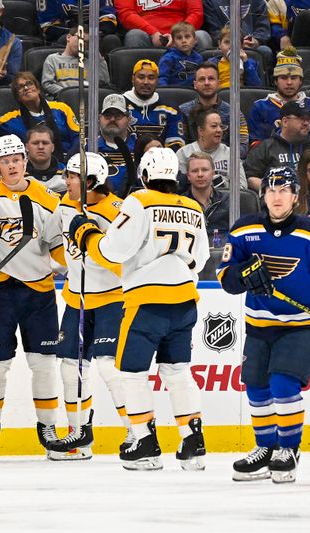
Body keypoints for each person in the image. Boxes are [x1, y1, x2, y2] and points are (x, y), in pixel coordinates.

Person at [217, 165, 310, 483]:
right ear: (263, 195)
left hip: (303, 324)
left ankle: (288, 449)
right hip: (259, 323)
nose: (276, 197)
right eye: (271, 191)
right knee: (257, 388)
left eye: (283, 191)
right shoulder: (243, 230)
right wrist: (243, 273)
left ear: (295, 196)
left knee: (283, 385)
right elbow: (227, 278)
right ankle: (266, 447)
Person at [69, 146, 210, 471]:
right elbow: (200, 260)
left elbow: (113, 250)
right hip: (185, 300)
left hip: (147, 302)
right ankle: (193, 443)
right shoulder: (192, 206)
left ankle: (145, 442)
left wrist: (87, 234)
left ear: (145, 176)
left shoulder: (140, 201)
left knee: (131, 373)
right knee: (177, 372)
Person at [44, 152, 132, 460]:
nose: (66, 181)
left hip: (111, 300)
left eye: (72, 176)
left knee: (109, 367)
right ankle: (79, 434)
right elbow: (57, 244)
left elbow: (124, 263)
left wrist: (92, 241)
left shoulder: (117, 213)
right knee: (71, 368)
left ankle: (136, 432)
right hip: (75, 299)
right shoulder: (65, 206)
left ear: (92, 182)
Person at [0, 135, 66, 455]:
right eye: (5, 161)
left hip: (39, 291)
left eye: (17, 159)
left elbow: (56, 246)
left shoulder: (46, 198)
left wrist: (75, 263)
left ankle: (47, 427)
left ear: (25, 160)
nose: (12, 165)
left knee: (44, 364)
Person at [244, 100, 310, 192]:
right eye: (301, 118)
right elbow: (250, 178)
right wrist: (274, 191)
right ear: (285, 122)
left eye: (309, 119)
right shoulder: (266, 148)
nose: (306, 123)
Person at [247, 47, 310, 146]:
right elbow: (256, 145)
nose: (289, 82)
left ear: (300, 81)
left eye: (294, 78)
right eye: (283, 78)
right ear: (275, 81)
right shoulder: (260, 107)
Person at [0, 72, 80, 161]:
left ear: (38, 89)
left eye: (29, 84)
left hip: (67, 163)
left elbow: (78, 137)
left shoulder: (62, 109)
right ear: (17, 97)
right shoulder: (11, 120)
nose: (26, 88)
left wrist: (69, 161)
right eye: (20, 87)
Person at [68, 94, 137, 196]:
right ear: (99, 118)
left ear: (128, 119)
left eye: (118, 116)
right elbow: (69, 178)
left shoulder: (139, 145)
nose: (112, 119)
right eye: (107, 115)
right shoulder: (84, 146)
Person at [179, 62, 248, 158]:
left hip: (226, 164)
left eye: (211, 79)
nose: (207, 83)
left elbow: (243, 146)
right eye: (202, 79)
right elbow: (180, 146)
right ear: (195, 84)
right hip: (192, 165)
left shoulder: (234, 112)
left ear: (218, 83)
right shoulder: (183, 111)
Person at [177, 107, 247, 189]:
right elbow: (178, 187)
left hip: (224, 200)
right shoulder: (183, 153)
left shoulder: (231, 154)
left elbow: (242, 188)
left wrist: (224, 187)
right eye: (214, 126)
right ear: (200, 131)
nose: (219, 130)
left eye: (221, 126)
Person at [124, 60, 185, 151]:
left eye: (151, 78)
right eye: (141, 77)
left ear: (157, 81)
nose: (146, 82)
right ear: (133, 79)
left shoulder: (171, 110)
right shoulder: (120, 106)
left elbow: (176, 144)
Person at [41, 26, 110, 98]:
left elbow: (104, 84)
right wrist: (69, 94)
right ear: (68, 37)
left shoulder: (89, 63)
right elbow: (47, 84)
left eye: (86, 42)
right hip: (62, 100)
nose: (82, 44)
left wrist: (99, 57)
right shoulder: (53, 59)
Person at [115, 0, 212, 49]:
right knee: (134, 35)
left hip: (182, 34)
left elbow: (196, 13)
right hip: (147, 36)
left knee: (202, 36)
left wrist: (178, 35)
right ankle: (137, 84)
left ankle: (202, 83)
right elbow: (126, 14)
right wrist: (153, 33)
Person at [202, 0, 273, 66]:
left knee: (265, 51)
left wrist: (256, 40)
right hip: (224, 45)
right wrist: (229, 41)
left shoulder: (258, 1)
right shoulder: (210, 1)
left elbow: (263, 28)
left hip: (250, 46)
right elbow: (213, 30)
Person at [37, 0, 121, 54]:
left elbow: (108, 16)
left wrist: (99, 32)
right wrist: (75, 35)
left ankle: (105, 76)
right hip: (66, 34)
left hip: (96, 33)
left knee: (111, 40)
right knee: (64, 39)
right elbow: (49, 25)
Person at [182, 151, 229, 240]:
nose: (200, 174)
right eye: (195, 171)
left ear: (213, 173)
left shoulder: (228, 201)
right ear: (188, 176)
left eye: (204, 170)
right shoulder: (181, 205)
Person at [158, 22, 204, 88]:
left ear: (195, 40)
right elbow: (162, 79)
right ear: (173, 42)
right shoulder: (168, 58)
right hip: (173, 94)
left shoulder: (199, 58)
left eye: (187, 37)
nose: (184, 41)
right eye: (179, 38)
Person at [25, 125, 66, 194]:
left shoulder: (67, 174)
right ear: (26, 147)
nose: (40, 147)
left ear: (52, 147)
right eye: (35, 143)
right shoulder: (17, 174)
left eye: (45, 143)